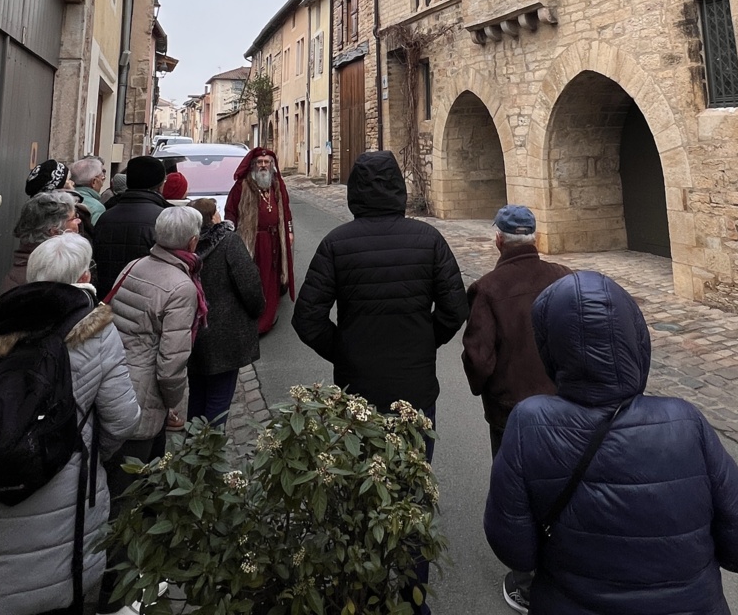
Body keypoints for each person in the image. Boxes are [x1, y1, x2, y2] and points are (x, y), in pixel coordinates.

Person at [485, 271, 738, 615]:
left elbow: (514, 549)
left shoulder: (530, 423)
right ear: (635, 337)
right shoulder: (684, 422)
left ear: (551, 346)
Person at [293, 150, 468, 615]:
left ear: (354, 192)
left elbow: (307, 319)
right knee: (413, 492)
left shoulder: (337, 243)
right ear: (399, 190)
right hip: (415, 389)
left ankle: (365, 590)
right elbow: (455, 309)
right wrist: (425, 341)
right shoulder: (428, 240)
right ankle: (412, 598)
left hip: (359, 391)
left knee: (359, 488)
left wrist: (345, 351)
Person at [0, 233, 140, 615]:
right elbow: (123, 419)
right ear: (84, 276)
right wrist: (87, 452)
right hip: (65, 490)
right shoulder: (96, 331)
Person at [462, 205, 572, 613]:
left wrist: (483, 389)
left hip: (512, 411)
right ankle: (567, 572)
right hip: (563, 406)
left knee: (518, 494)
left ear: (499, 240)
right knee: (565, 486)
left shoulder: (488, 289)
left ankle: (526, 583)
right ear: (535, 238)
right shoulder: (563, 277)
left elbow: (479, 358)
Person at [98, 206, 205, 614]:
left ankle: (123, 577)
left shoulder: (135, 265)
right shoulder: (181, 286)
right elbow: (171, 364)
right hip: (144, 399)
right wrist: (175, 404)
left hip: (114, 384)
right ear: (192, 241)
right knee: (131, 497)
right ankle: (117, 592)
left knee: (119, 487)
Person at [187, 200, 264, 428]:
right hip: (225, 333)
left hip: (192, 330)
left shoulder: (183, 245)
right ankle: (209, 446)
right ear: (213, 217)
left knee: (197, 393)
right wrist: (256, 311)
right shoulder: (228, 242)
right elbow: (249, 284)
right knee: (219, 398)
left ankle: (192, 442)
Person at [225, 147, 294, 333]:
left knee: (273, 278)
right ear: (253, 165)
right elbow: (230, 212)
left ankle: (268, 317)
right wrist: (231, 234)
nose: (263, 165)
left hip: (275, 240)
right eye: (260, 162)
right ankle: (255, 321)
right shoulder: (242, 187)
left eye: (267, 162)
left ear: (272, 165)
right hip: (253, 241)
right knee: (255, 279)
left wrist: (289, 231)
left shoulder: (277, 186)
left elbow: (287, 212)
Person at [92, 156, 169, 300]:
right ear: (159, 185)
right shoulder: (164, 219)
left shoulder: (105, 217)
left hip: (107, 298)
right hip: (146, 300)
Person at [0, 192, 83, 293]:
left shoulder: (34, 269)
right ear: (54, 231)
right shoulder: (47, 278)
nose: (79, 221)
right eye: (73, 218)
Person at [70, 156, 108, 223]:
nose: (102, 184)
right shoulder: (97, 208)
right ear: (94, 182)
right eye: (102, 179)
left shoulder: (62, 199)